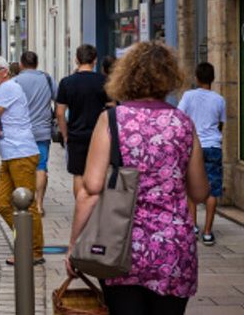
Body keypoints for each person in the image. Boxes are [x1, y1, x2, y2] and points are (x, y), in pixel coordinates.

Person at [67, 42, 209, 315]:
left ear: (126, 76)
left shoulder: (111, 119)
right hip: (173, 249)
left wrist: (75, 245)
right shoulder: (182, 123)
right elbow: (200, 192)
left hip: (121, 247)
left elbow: (91, 189)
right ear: (170, 78)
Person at [0, 55, 45, 265]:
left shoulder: (8, 87)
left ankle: (33, 251)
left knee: (26, 205)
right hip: (10, 154)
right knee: (1, 203)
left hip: (22, 153)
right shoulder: (0, 91)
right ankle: (25, 242)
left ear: (5, 71)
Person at [178, 62, 226, 246]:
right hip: (213, 145)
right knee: (213, 190)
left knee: (191, 187)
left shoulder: (188, 96)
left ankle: (192, 227)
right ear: (212, 79)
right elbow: (220, 124)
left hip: (194, 146)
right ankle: (207, 232)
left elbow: (180, 118)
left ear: (196, 78)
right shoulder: (219, 99)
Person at [56, 44, 110, 197]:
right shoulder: (104, 81)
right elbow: (112, 107)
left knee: (78, 174)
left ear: (76, 59)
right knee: (100, 172)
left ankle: (81, 207)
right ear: (95, 60)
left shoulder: (67, 82)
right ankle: (96, 209)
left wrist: (65, 135)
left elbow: (60, 113)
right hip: (100, 136)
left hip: (76, 134)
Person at [14, 51, 57, 215]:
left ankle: (24, 200)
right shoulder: (47, 78)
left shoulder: (16, 81)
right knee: (41, 167)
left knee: (23, 167)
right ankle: (38, 204)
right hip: (42, 131)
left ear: (21, 64)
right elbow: (58, 99)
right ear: (37, 64)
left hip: (21, 132)